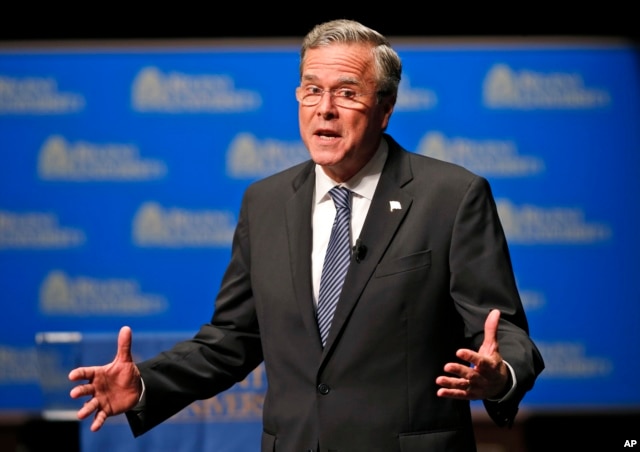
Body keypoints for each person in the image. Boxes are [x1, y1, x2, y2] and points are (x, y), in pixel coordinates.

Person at [69, 19, 544, 451]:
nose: (325, 110)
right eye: (312, 90)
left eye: (347, 92)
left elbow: (503, 331)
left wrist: (501, 375)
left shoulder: (452, 196)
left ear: (385, 108)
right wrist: (146, 385)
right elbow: (233, 337)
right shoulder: (266, 202)